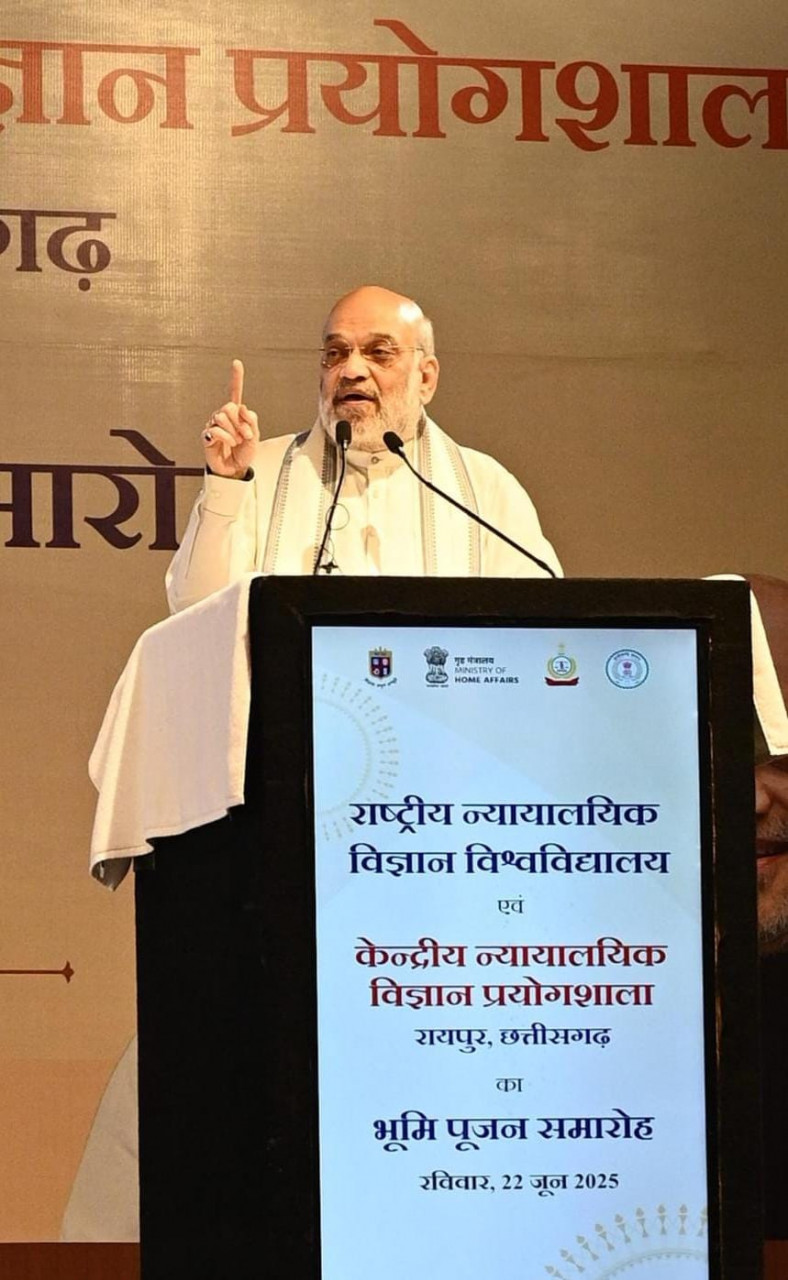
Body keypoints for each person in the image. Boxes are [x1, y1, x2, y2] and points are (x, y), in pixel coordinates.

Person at [166, 285, 562, 612]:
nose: (352, 370)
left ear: (426, 378)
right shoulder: (260, 474)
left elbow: (542, 623)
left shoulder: (485, 488)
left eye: (379, 352)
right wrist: (225, 484)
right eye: (335, 354)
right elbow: (193, 610)